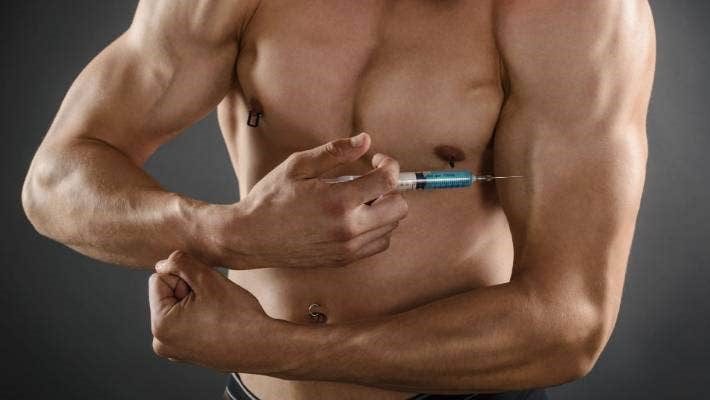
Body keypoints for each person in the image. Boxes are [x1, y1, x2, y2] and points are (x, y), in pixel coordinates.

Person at [21, 0, 656, 399]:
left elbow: (570, 325)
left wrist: (271, 348)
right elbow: (53, 182)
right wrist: (225, 234)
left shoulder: (573, 15)